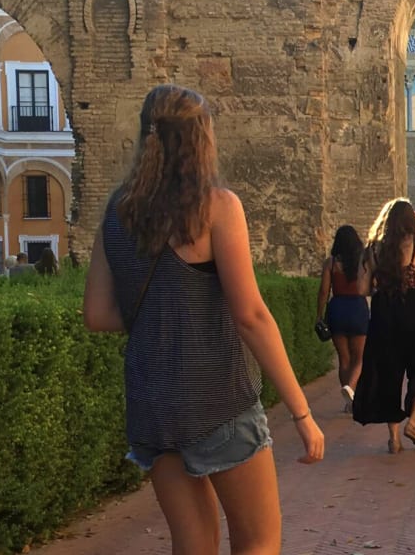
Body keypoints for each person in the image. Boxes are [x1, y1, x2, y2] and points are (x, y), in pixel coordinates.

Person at [82, 84, 325, 555]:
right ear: (201, 139)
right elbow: (251, 316)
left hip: (153, 404)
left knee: (192, 545)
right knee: (258, 540)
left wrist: (162, 323)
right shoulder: (217, 208)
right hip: (219, 400)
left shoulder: (117, 212)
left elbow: (97, 314)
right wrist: (302, 412)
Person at [352, 198, 415, 453]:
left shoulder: (374, 249)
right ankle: (414, 422)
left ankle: (394, 438)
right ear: (410, 220)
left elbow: (362, 289)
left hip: (384, 314)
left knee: (389, 374)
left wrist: (381, 282)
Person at [317, 225, 369, 414]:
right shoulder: (362, 262)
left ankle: (349, 401)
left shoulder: (331, 263)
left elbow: (324, 291)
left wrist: (319, 315)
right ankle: (352, 388)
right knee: (360, 358)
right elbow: (371, 285)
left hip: (337, 308)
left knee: (344, 359)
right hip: (357, 307)